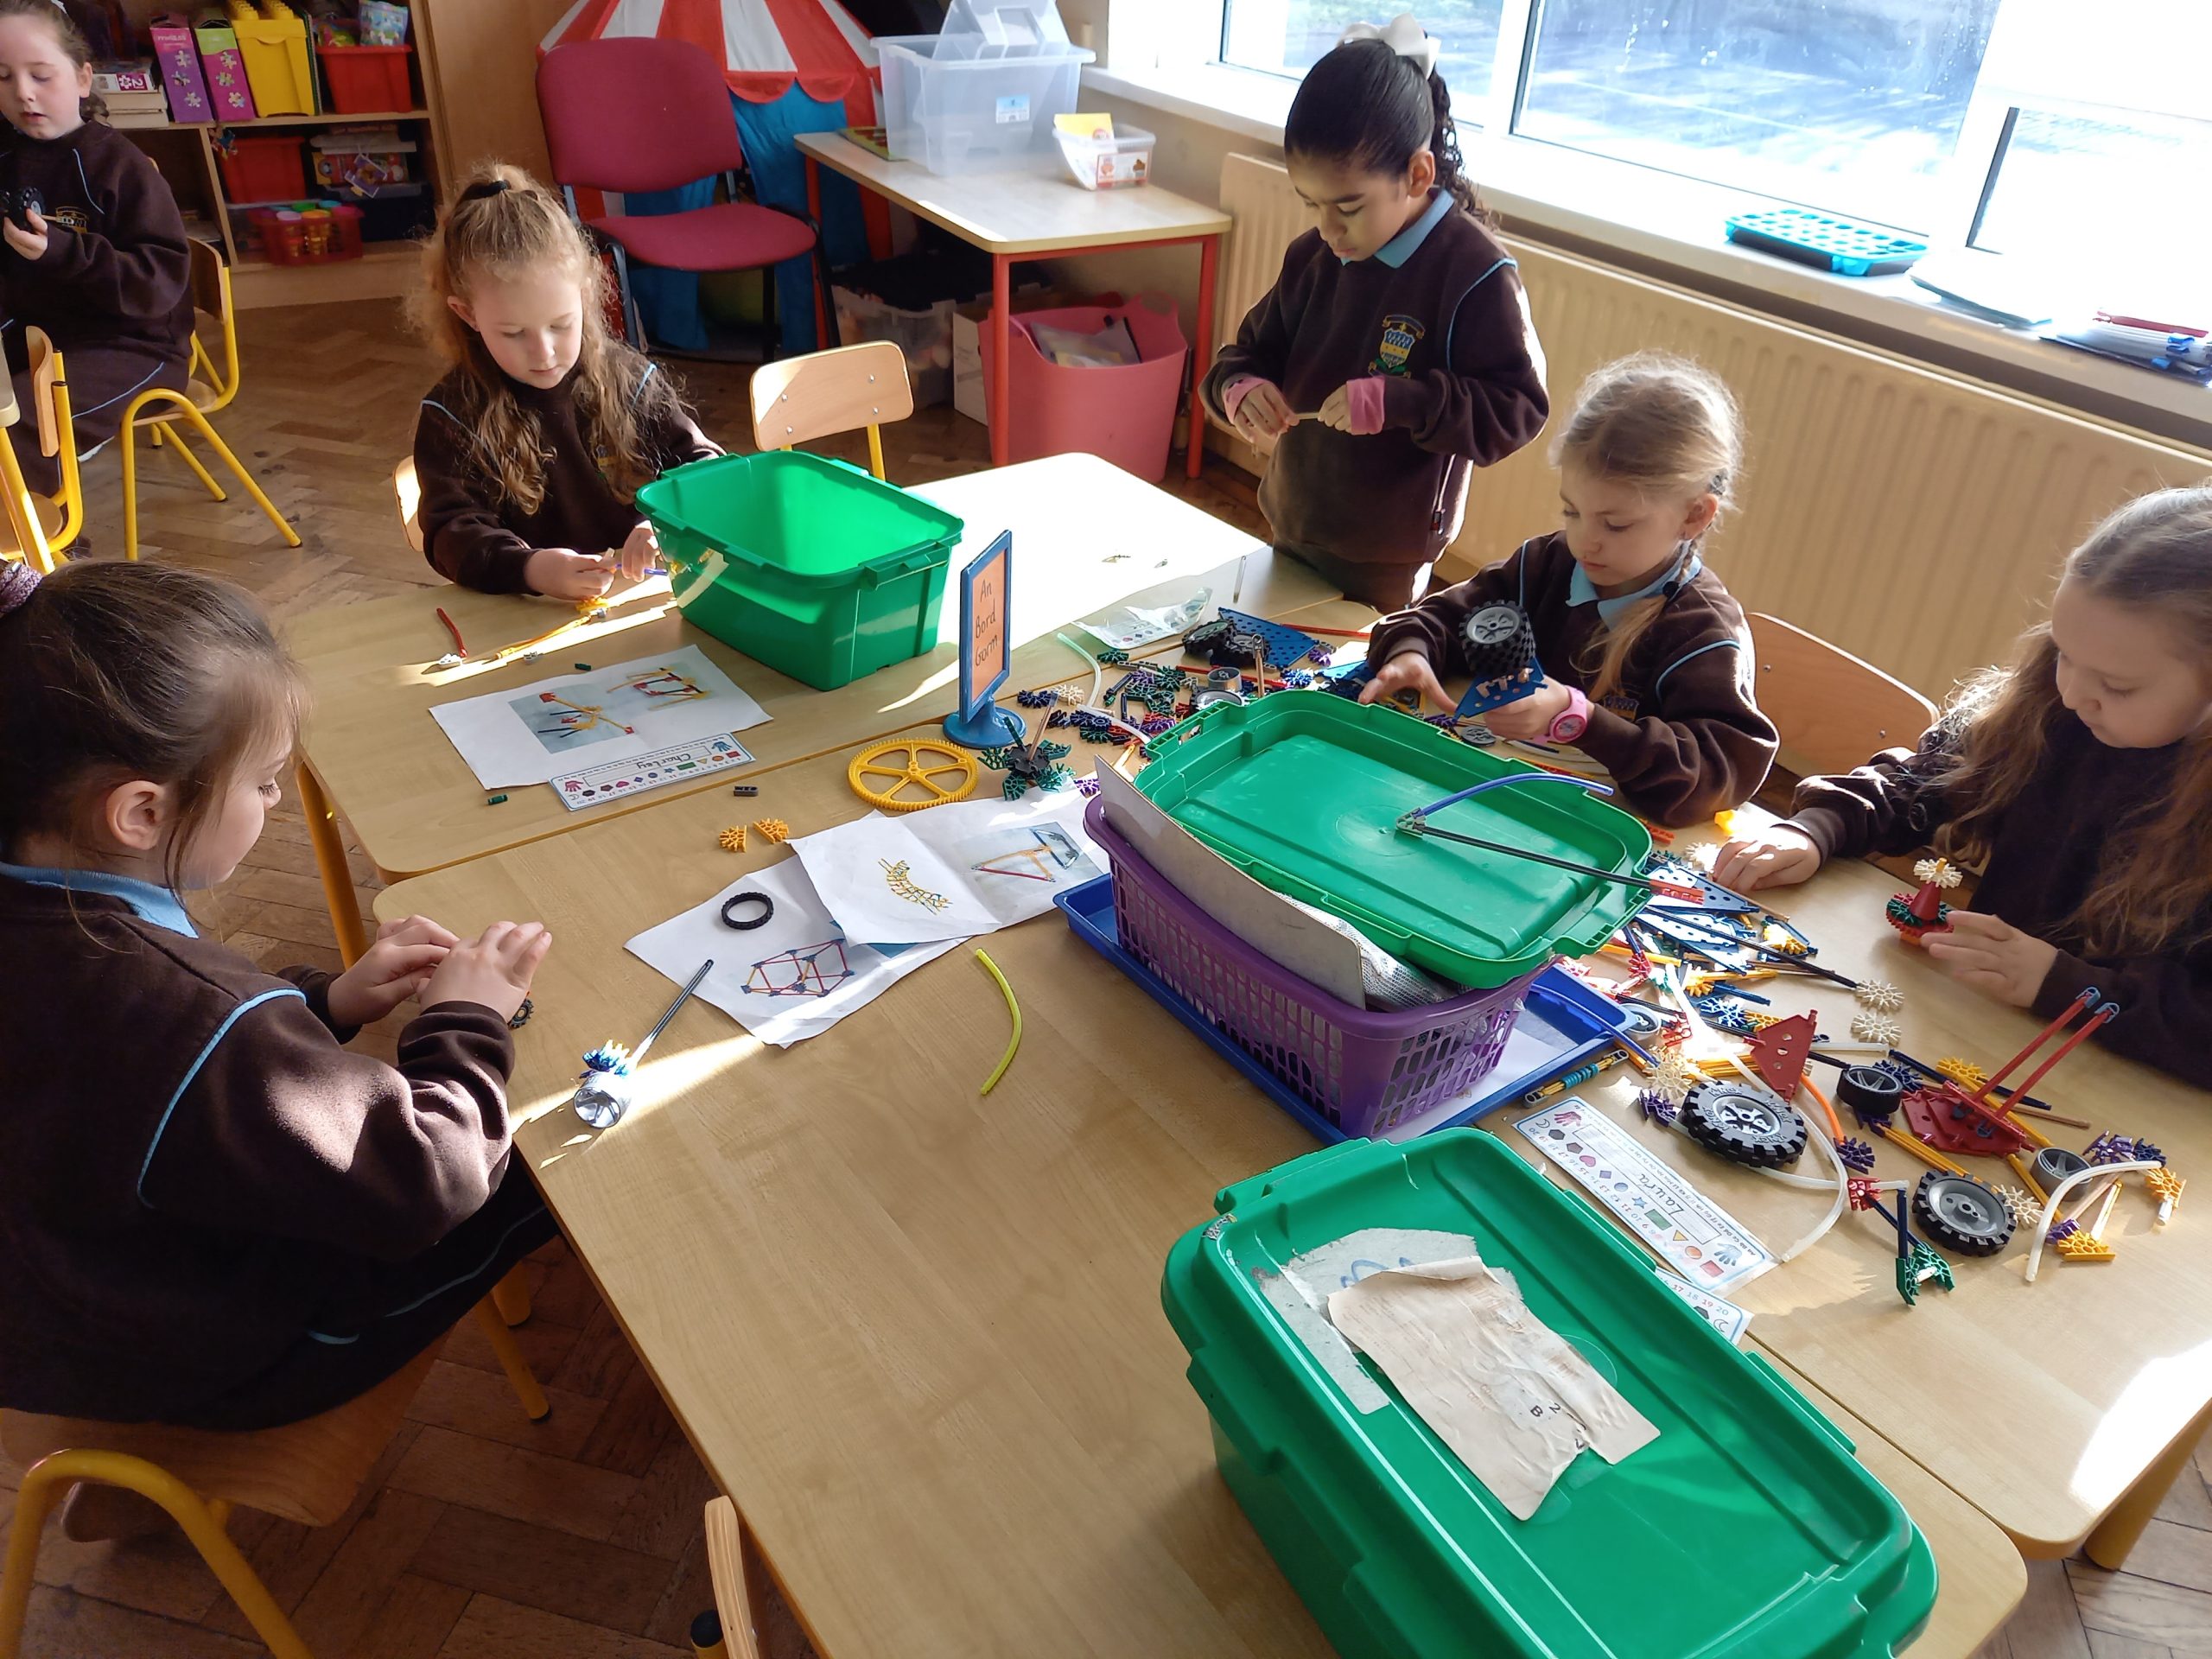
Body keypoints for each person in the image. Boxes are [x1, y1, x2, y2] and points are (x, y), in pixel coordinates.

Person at [0, 558, 559, 1433]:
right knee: (543, 1165)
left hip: (60, 1310)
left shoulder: (56, 918)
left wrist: (322, 1005)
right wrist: (466, 1020)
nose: (274, 800)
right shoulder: (190, 1016)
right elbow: (427, 1180)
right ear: (141, 814)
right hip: (216, 1356)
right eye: (264, 782)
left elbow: (144, 1086)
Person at [1715, 488, 2212, 1080]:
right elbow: (1921, 783)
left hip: (2116, 1087)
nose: (2073, 692)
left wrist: (2066, 986)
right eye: (2063, 653)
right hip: (1971, 1037)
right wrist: (1819, 828)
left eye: (2117, 685)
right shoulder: (2051, 712)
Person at [1199, 12, 1548, 611]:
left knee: (1358, 664)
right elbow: (1242, 357)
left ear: (1416, 174)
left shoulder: (1475, 273)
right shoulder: (1315, 256)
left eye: (1348, 208)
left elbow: (1518, 409)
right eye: (1311, 205)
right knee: (1273, 653)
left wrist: (1401, 402)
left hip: (1390, 554)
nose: (1328, 230)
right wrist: (1239, 388)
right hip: (1293, 521)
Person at [1360, 352, 1775, 826]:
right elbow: (1436, 618)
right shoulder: (1546, 564)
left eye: (1616, 524)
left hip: (1592, 832)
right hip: (1494, 800)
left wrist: (1580, 720)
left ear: (1694, 515)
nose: (1584, 541)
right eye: (1572, 512)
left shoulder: (1703, 632)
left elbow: (1713, 778)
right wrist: (1411, 651)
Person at [410, 161, 719, 599]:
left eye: (560, 325)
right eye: (513, 333)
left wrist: (666, 520)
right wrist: (530, 568)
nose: (544, 352)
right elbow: (450, 533)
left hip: (637, 599)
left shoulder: (628, 379)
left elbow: (705, 468)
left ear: (586, 292)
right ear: (467, 314)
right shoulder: (452, 415)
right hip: (524, 609)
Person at [0, 0, 193, 495]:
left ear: (83, 79)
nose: (23, 93)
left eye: (41, 76)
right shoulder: (11, 154)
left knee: (17, 422)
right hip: (42, 333)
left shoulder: (122, 167)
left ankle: (47, 540)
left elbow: (157, 284)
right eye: (2, 77)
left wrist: (65, 253)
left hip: (133, 347)